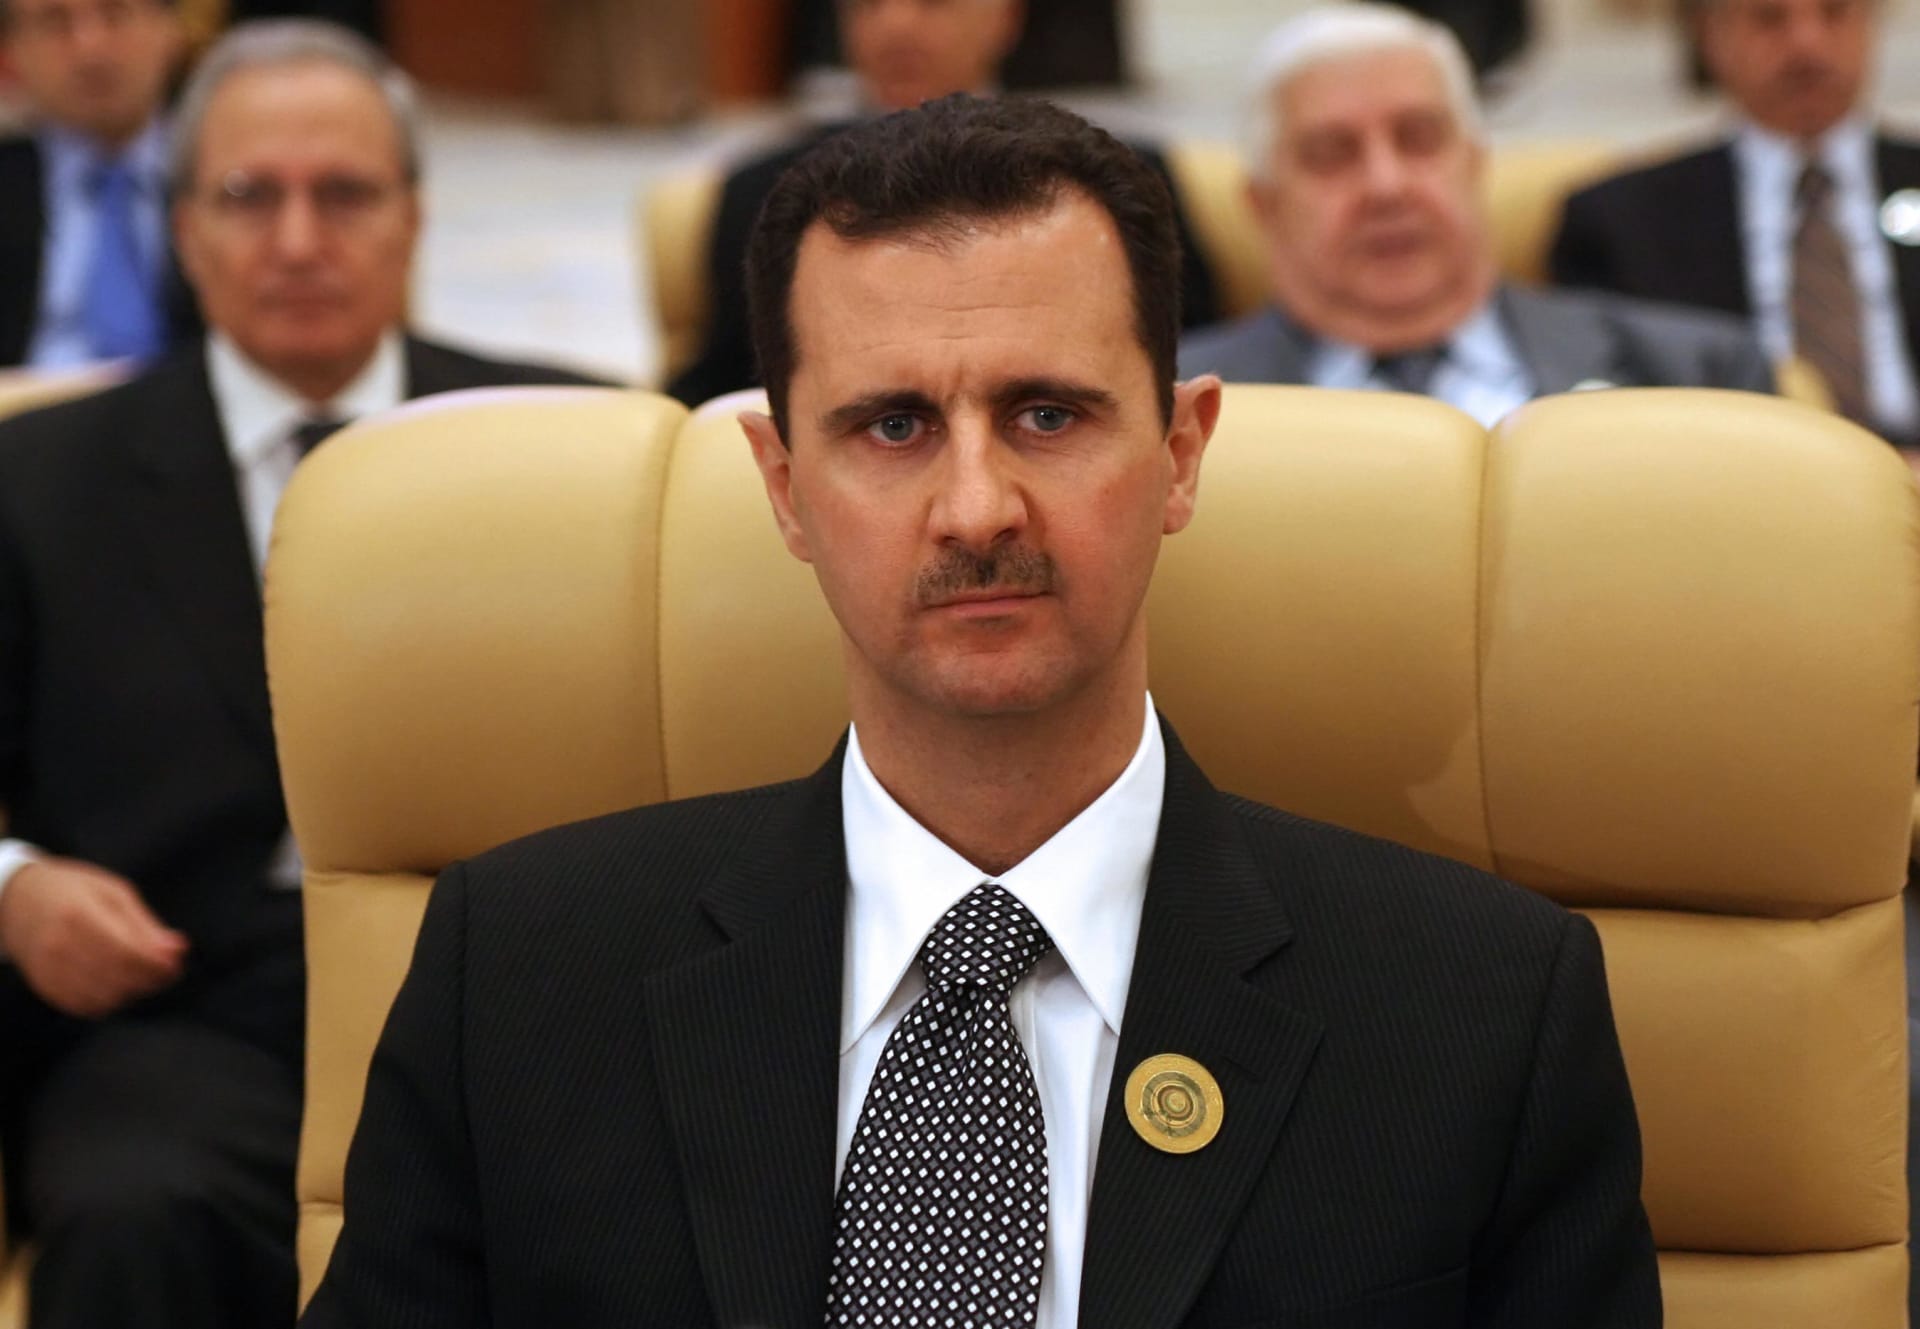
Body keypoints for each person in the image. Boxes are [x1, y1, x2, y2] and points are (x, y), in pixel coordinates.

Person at [303, 93, 1660, 1328]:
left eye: (1047, 415)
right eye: (892, 426)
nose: (974, 508)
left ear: (1182, 452)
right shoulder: (518, 976)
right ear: (782, 487)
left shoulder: (1483, 1013)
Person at [0, 20, 600, 1329]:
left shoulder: (578, 450)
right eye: (247, 196)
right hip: (182, 1015)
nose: (296, 239)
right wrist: (16, 885)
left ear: (413, 217)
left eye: (343, 194)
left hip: (525, 1008)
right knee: (130, 1211)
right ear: (183, 228)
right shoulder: (38, 479)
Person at [1180, 3, 1773, 423]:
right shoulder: (1172, 408)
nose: (1386, 186)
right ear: (1263, 204)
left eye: (1419, 138)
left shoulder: (1700, 374)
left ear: (1475, 164)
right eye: (1332, 154)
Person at [665, 0, 1221, 408]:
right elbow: (719, 388)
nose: (896, 25)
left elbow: (1198, 358)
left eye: (933, 2)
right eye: (869, 5)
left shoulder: (1120, 180)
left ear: (1006, 17)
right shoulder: (759, 192)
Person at [1549, 0, 1919, 447]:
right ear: (1711, 38)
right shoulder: (1621, 220)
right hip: (1732, 469)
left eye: (1834, 12)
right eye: (1768, 18)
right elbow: (1599, 408)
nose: (1807, 44)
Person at [0, 0, 200, 367]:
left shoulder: (224, 173)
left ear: (171, 28)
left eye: (115, 13)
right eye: (54, 22)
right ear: (12, 49)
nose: (90, 47)